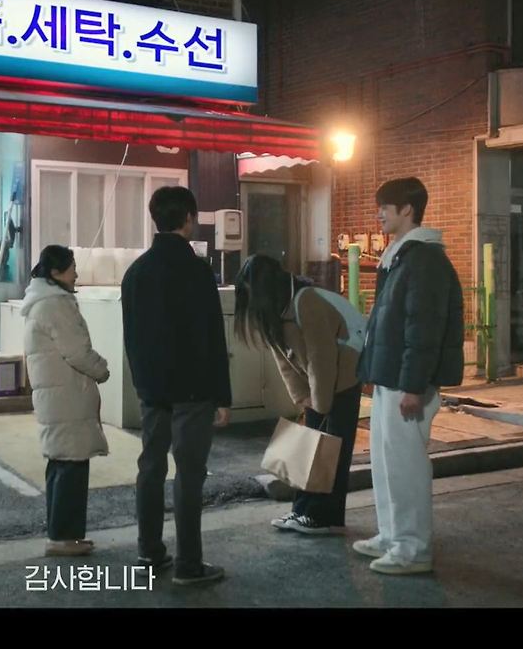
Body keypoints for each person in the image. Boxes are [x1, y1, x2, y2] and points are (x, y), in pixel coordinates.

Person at [352, 177, 464, 575]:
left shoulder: (424, 260)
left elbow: (423, 328)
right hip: (392, 378)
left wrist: (414, 386)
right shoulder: (401, 256)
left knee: (406, 467)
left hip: (407, 384)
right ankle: (392, 536)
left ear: (407, 210)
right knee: (386, 464)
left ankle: (413, 548)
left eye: (385, 207)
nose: (379, 214)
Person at [121, 185, 231, 587]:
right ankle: (189, 564)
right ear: (188, 218)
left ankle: (149, 552)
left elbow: (131, 337)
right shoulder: (197, 271)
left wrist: (143, 383)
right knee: (189, 473)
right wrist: (222, 396)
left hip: (153, 390)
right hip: (193, 390)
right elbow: (213, 337)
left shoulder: (136, 272)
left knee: (150, 467)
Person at [232, 254, 362, 535]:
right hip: (319, 380)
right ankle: (302, 511)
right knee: (309, 446)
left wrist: (320, 403)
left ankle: (325, 518)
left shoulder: (306, 301)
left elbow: (321, 358)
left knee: (332, 450)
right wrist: (303, 398)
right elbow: (282, 360)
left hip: (345, 374)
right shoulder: (272, 312)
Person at [22, 244, 111, 557]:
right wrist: (102, 369)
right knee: (71, 464)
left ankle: (63, 535)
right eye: (72, 268)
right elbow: (76, 352)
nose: (76, 274)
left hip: (58, 394)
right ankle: (63, 538)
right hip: (66, 395)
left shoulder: (42, 301)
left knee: (61, 463)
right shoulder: (55, 304)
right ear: (56, 272)